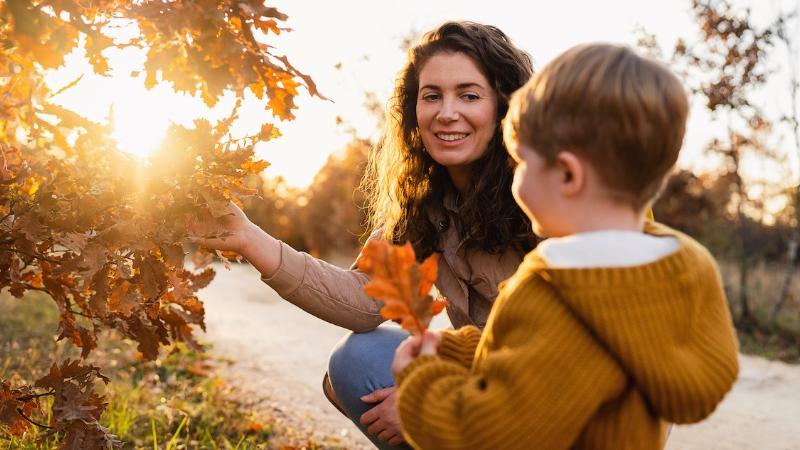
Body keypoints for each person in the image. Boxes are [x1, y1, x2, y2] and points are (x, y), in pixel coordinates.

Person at [190, 21, 537, 449]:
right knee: (355, 364)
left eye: (469, 95)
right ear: (414, 111)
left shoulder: (547, 194)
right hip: (497, 385)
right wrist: (248, 238)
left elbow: (566, 349)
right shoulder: (427, 207)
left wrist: (439, 403)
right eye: (432, 96)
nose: (447, 113)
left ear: (505, 105)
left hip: (569, 401)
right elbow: (364, 302)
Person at [391, 43, 741, 449]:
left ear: (568, 176)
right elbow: (536, 348)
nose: (514, 177)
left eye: (521, 163)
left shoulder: (556, 291)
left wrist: (423, 377)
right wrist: (453, 349)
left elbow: (485, 435)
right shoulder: (683, 263)